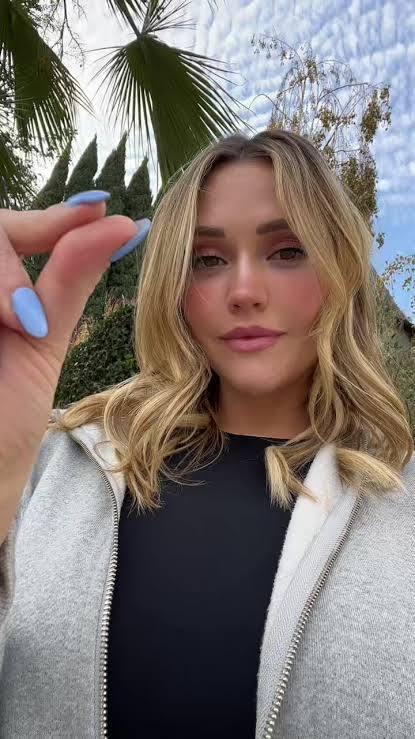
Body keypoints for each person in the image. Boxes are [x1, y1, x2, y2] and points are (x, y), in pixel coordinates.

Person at [0, 129, 413, 739]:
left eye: (288, 250)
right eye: (208, 260)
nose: (243, 291)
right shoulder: (56, 465)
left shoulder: (401, 502)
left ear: (341, 271)